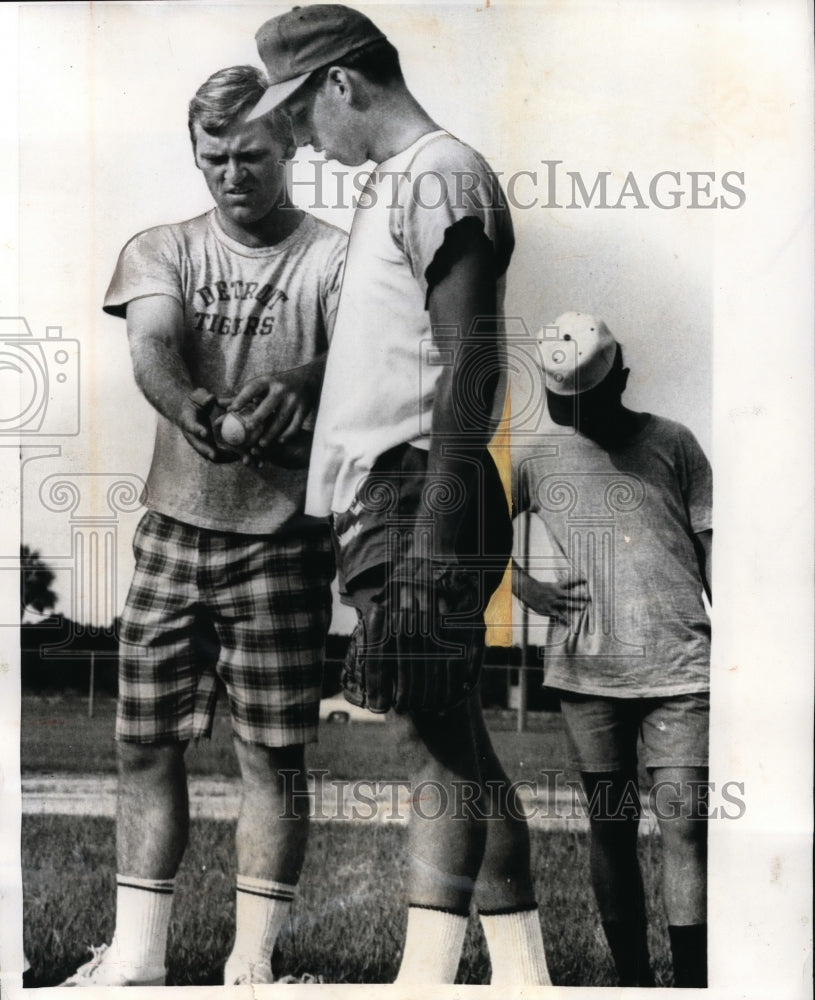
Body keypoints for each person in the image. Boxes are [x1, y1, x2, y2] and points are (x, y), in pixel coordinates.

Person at [246, 4, 551, 985]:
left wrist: (428, 537)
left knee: (433, 748)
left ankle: (423, 980)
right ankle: (523, 977)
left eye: (299, 112)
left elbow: (469, 362)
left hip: (419, 488)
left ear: (341, 81)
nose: (300, 138)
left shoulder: (437, 172)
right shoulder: (399, 182)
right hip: (396, 491)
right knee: (453, 740)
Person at [61, 65, 346, 987]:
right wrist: (190, 405)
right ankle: (137, 960)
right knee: (142, 742)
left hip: (285, 533)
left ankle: (251, 969)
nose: (232, 173)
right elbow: (152, 343)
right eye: (213, 157)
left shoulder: (336, 257)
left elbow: (369, 358)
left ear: (291, 144)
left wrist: (304, 382)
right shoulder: (164, 247)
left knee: (271, 754)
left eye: (251, 155)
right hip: (175, 525)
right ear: (195, 154)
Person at [513, 311, 711, 987]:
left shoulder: (674, 443)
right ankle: (633, 985)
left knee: (685, 823)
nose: (577, 418)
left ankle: (692, 985)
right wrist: (528, 589)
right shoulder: (537, 457)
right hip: (589, 671)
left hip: (680, 666)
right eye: (564, 404)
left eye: (586, 403)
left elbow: (713, 550)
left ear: (620, 378)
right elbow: (471, 535)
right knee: (611, 826)